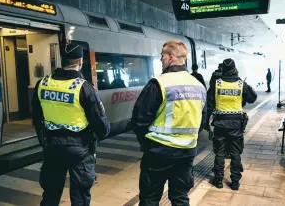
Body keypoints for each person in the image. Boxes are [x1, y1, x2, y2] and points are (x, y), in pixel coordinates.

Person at [32, 42, 111, 206]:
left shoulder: (42, 84)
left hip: (52, 148)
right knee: (80, 197)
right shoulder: (84, 88)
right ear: (80, 61)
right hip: (80, 150)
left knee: (50, 195)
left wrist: (45, 142)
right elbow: (102, 126)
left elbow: (36, 118)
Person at [130, 40, 207, 206]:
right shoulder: (199, 86)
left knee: (150, 198)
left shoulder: (158, 83)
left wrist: (146, 144)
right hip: (186, 152)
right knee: (180, 198)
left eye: (162, 56)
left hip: (158, 151)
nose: (161, 60)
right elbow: (203, 121)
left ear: (171, 58)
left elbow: (139, 119)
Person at [206, 58, 257, 190]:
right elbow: (252, 98)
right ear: (235, 69)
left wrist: (207, 121)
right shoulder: (241, 84)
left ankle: (218, 180)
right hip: (235, 124)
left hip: (220, 123)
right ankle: (234, 182)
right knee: (235, 154)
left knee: (220, 153)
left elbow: (209, 102)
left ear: (222, 69)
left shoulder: (216, 84)